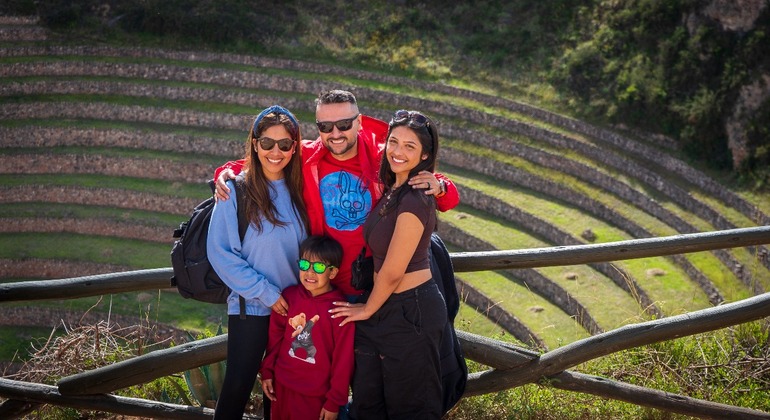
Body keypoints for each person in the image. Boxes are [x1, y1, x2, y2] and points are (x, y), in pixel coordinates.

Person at [214, 89, 460, 300]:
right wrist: (224, 172)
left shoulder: (383, 156)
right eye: (325, 126)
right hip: (321, 283)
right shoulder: (306, 156)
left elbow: (449, 199)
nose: (335, 133)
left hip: (370, 282)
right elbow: (266, 158)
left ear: (359, 122)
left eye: (344, 124)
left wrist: (440, 186)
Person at [330, 110, 447, 419]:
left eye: (410, 146)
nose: (398, 151)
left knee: (411, 409)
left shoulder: (415, 198)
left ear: (425, 155)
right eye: (393, 142)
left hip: (412, 312)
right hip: (384, 306)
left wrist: (367, 309)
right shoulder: (393, 189)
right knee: (368, 405)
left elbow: (394, 269)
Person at [207, 105, 309, 420]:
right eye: (267, 143)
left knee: (279, 393)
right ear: (254, 143)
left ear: (295, 147)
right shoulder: (234, 191)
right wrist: (267, 293)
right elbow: (221, 254)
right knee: (237, 387)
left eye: (283, 144)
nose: (275, 151)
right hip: (252, 309)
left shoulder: (302, 191)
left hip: (294, 313)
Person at [260, 235, 354, 420]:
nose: (309, 272)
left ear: (333, 272)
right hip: (282, 387)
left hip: (315, 396)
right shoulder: (289, 297)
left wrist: (334, 401)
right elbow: (275, 338)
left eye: (318, 267)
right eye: (304, 265)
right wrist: (267, 371)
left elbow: (343, 360)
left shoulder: (339, 310)